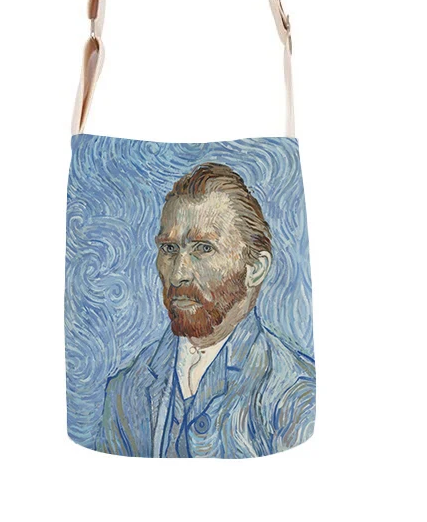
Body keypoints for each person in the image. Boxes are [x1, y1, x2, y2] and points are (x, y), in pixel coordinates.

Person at [96, 162, 315, 458]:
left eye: (203, 248)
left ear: (255, 269)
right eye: (169, 249)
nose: (178, 274)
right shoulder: (126, 390)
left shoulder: (295, 393)